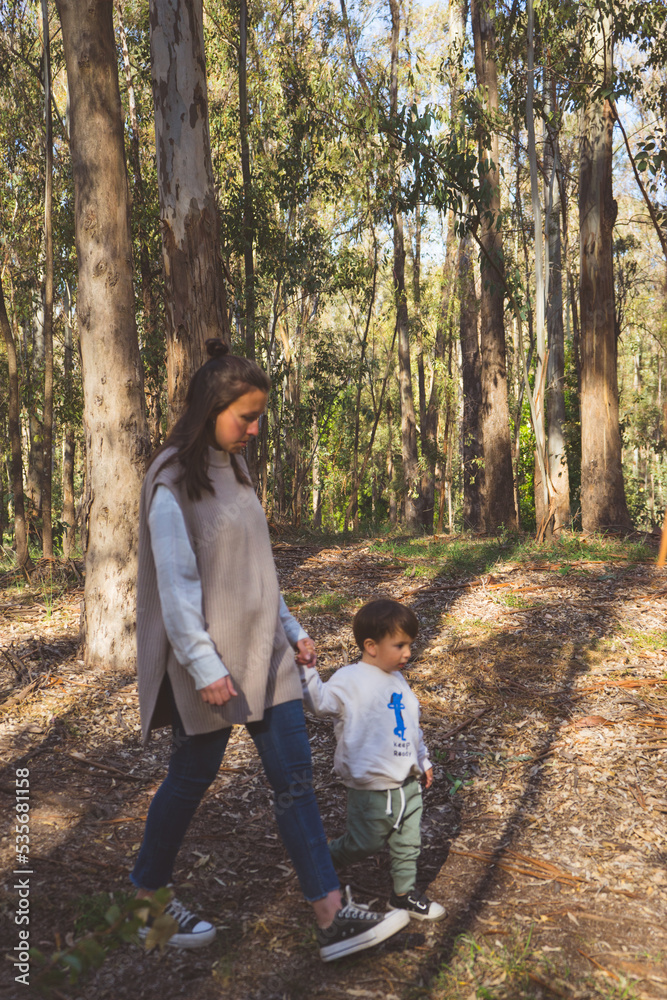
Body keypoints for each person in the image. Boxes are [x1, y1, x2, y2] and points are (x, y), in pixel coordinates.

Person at [131, 339, 409, 961]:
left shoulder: (236, 467)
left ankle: (331, 915)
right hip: (217, 668)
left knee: (295, 784)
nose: (255, 429)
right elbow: (176, 591)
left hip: (270, 658)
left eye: (259, 416)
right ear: (211, 409)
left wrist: (290, 626)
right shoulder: (172, 480)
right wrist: (203, 666)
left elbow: (254, 569)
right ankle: (145, 895)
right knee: (192, 777)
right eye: (245, 417)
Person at [300, 598, 447, 922]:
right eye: (399, 645)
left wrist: (422, 759)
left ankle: (403, 895)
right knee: (363, 843)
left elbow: (410, 725)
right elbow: (319, 702)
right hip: (371, 785)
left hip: (406, 782)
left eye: (410, 645)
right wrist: (307, 670)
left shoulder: (398, 680)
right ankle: (320, 867)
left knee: (409, 843)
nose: (408, 653)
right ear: (371, 646)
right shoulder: (350, 679)